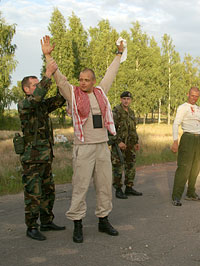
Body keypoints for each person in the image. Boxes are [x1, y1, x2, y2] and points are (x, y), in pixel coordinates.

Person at [40, 35, 125, 243]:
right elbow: (59, 78)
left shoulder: (100, 92)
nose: (83, 83)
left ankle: (103, 220)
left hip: (102, 147)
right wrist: (48, 55)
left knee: (105, 185)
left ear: (93, 81)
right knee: (80, 187)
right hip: (84, 148)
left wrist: (119, 53)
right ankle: (77, 224)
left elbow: (111, 73)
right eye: (80, 79)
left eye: (86, 80)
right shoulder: (72, 93)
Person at [17, 60, 66, 241]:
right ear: (26, 90)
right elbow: (38, 97)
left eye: (39, 84)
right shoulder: (24, 105)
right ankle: (31, 227)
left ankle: (47, 221)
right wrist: (48, 74)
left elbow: (60, 100)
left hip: (45, 157)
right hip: (32, 159)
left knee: (48, 191)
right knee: (33, 193)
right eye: (35, 85)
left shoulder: (41, 106)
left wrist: (62, 83)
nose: (38, 87)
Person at [171, 87, 200, 206]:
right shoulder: (183, 107)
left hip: (197, 139)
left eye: (196, 96)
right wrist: (175, 141)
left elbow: (199, 126)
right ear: (188, 94)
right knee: (184, 168)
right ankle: (176, 196)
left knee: (196, 168)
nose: (194, 98)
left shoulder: (198, 109)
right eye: (192, 96)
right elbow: (176, 124)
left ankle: (191, 193)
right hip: (187, 138)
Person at [108, 91, 142, 199]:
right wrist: (118, 142)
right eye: (124, 99)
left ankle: (129, 187)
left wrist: (136, 141)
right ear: (120, 99)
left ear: (130, 100)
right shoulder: (116, 111)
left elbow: (133, 129)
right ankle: (118, 189)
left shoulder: (131, 112)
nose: (126, 101)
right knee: (118, 167)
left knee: (130, 166)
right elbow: (111, 129)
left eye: (128, 99)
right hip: (119, 145)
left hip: (130, 145)